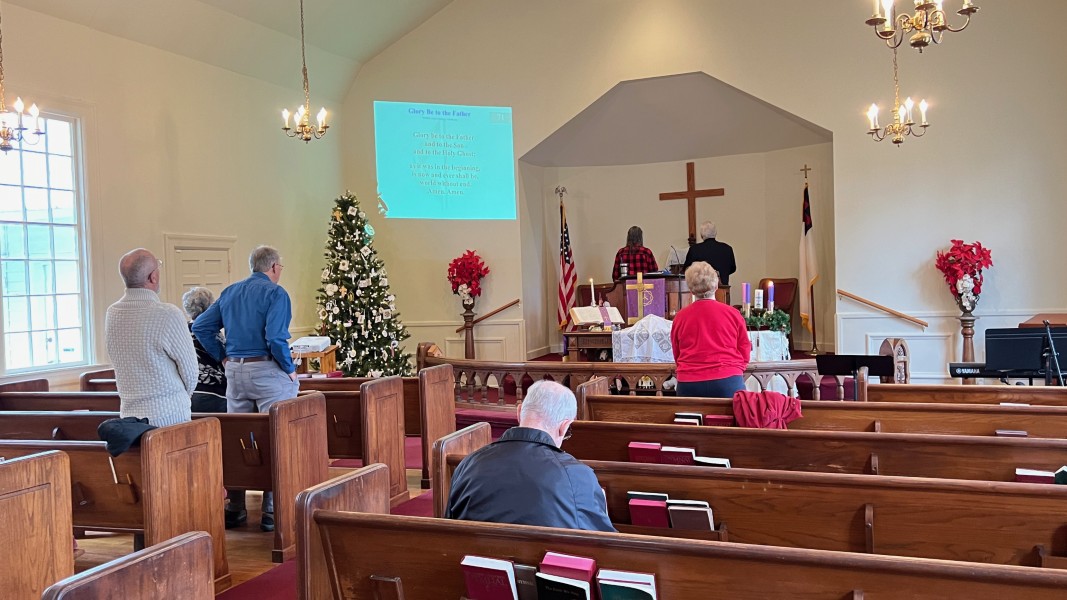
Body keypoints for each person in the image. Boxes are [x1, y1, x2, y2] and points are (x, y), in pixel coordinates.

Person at [192, 245, 298, 532]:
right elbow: (275, 337)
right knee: (276, 434)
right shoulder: (276, 293)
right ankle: (271, 510)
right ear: (273, 267)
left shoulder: (230, 292)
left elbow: (200, 327)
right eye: (280, 267)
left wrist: (223, 356)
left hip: (236, 373)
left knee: (239, 437)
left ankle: (235, 506)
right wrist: (289, 368)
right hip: (266, 370)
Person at [446, 380, 615, 532]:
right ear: (564, 427)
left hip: (477, 557)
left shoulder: (468, 464)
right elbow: (603, 544)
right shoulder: (578, 476)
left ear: (519, 412)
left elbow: (449, 529)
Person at [104, 248, 198, 427]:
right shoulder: (168, 313)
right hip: (170, 415)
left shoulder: (112, 313)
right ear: (153, 277)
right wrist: (178, 399)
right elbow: (191, 372)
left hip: (130, 416)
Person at [670, 261, 751, 398]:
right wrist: (736, 367)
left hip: (689, 382)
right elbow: (744, 346)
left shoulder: (680, 317)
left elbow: (677, 351)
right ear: (717, 285)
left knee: (688, 413)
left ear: (691, 290)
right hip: (728, 379)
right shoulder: (733, 314)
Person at [182, 287, 227, 413]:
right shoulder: (211, 333)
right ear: (210, 307)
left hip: (189, 392)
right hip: (214, 391)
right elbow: (224, 360)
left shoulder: (181, 331)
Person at [683, 221, 736, 286]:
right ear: (715, 233)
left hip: (702, 288)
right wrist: (723, 273)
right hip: (723, 288)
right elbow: (733, 268)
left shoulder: (695, 249)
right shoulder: (727, 249)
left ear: (701, 235)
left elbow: (687, 269)